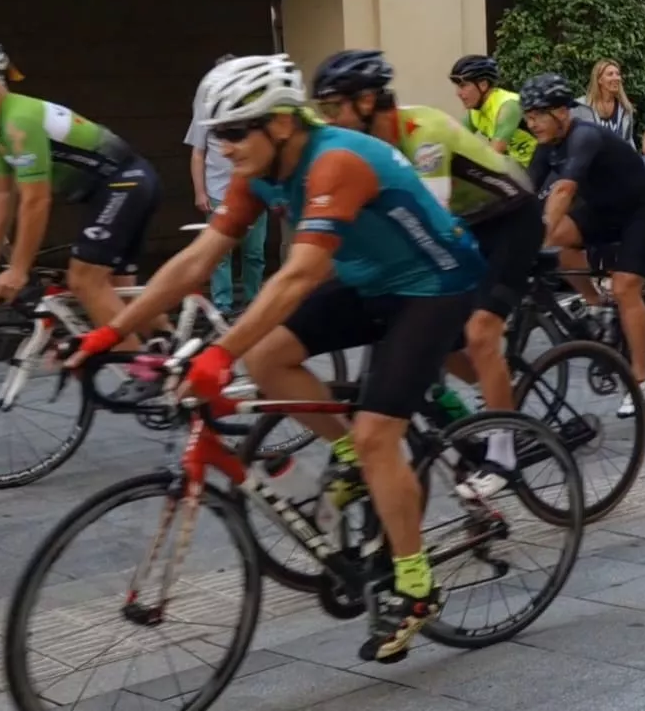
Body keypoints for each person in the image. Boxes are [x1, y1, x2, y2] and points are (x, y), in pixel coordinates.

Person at [74, 54, 481, 661]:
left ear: (283, 124)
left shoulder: (337, 161)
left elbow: (297, 277)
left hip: (433, 284)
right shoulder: (259, 170)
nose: (226, 147)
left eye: (236, 131)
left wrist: (217, 355)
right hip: (369, 279)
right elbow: (197, 261)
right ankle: (350, 457)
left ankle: (416, 587)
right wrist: (108, 333)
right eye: (218, 135)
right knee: (266, 358)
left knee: (377, 436)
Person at [308, 49, 541, 498]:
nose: (330, 119)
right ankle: (502, 392)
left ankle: (504, 452)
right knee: (442, 339)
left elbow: (430, 222)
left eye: (335, 107)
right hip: (468, 222)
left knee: (478, 332)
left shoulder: (422, 132)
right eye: (324, 109)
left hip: (512, 217)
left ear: (368, 102)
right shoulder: (367, 146)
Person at [0, 42, 159, 335]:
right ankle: (171, 350)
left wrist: (18, 269)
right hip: (116, 187)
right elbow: (1, 191)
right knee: (121, 297)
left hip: (123, 184)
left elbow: (36, 201)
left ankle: (138, 376)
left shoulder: (18, 122)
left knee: (84, 281)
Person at [520, 72, 645, 416]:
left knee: (625, 288)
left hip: (644, 208)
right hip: (605, 208)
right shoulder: (547, 147)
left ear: (560, 112)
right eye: (527, 117)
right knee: (559, 242)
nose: (531, 124)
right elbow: (526, 194)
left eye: (537, 115)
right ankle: (594, 302)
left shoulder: (584, 136)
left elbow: (563, 191)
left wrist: (535, 239)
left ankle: (642, 378)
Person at [186, 54, 266, 313]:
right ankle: (222, 306)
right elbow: (198, 153)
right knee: (219, 254)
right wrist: (200, 192)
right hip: (219, 188)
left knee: (254, 252)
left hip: (253, 187)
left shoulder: (254, 111)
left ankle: (254, 302)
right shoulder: (205, 111)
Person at [449, 55, 538, 166]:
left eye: (463, 86)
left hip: (541, 170)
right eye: (457, 87)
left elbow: (493, 154)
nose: (458, 93)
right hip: (517, 171)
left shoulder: (507, 106)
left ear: (483, 85)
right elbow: (454, 142)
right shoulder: (475, 111)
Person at [580, 59, 641, 147]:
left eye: (618, 74)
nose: (616, 78)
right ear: (599, 80)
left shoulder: (625, 108)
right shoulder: (582, 106)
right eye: (610, 74)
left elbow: (628, 141)